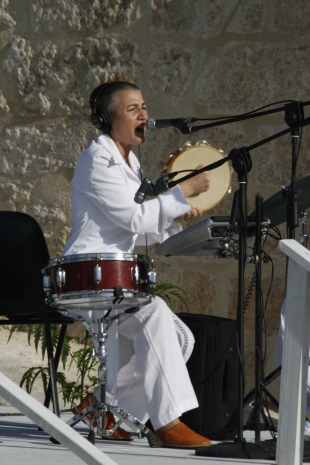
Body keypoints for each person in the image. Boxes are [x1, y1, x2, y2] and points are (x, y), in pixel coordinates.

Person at [62, 81, 212, 448]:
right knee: (155, 313)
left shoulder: (129, 162)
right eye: (132, 109)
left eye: (144, 106)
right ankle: (167, 423)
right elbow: (132, 219)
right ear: (108, 118)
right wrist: (181, 194)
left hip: (115, 275)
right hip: (89, 274)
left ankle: (107, 410)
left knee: (180, 338)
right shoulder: (97, 159)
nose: (144, 114)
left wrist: (179, 214)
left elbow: (140, 231)